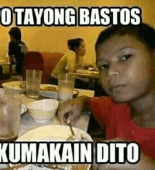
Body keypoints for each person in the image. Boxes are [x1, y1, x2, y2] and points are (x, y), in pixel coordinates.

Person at [58, 23, 155, 169]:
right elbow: (89, 102)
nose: (110, 72)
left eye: (125, 57)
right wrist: (79, 102)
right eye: (103, 66)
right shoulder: (114, 107)